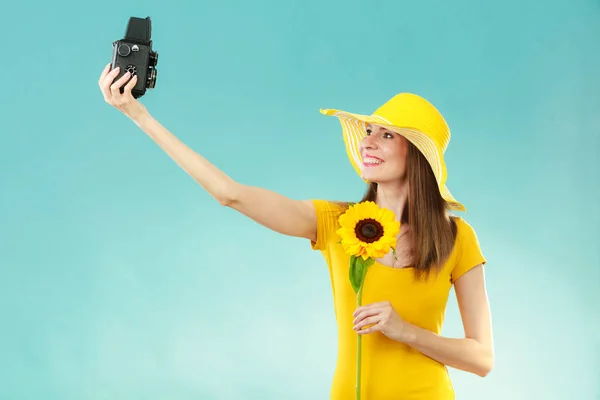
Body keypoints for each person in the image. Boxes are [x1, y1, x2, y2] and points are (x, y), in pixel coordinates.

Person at [98, 64, 494, 400]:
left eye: (386, 134)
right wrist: (140, 117)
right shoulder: (336, 222)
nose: (368, 142)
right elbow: (230, 194)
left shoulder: (457, 239)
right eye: (369, 131)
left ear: (419, 157)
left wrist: (404, 331)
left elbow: (481, 359)